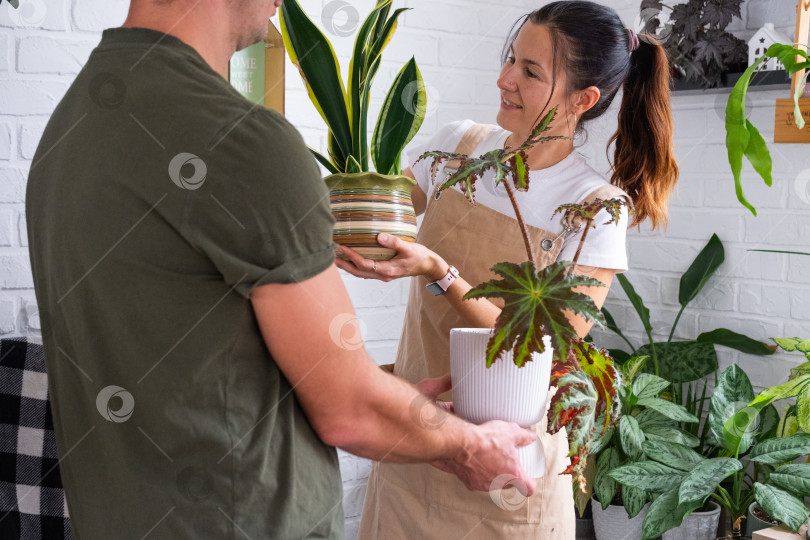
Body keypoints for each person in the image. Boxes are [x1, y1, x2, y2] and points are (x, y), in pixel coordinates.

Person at [24, 0, 540, 538]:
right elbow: (349, 411)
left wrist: (406, 413)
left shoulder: (75, 122)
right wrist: (470, 445)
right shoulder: (241, 140)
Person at [337, 2, 679, 538]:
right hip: (415, 447)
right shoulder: (458, 149)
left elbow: (539, 348)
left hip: (506, 475)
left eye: (530, 71)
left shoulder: (595, 208)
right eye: (511, 60)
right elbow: (377, 221)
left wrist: (438, 270)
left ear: (583, 100)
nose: (504, 79)